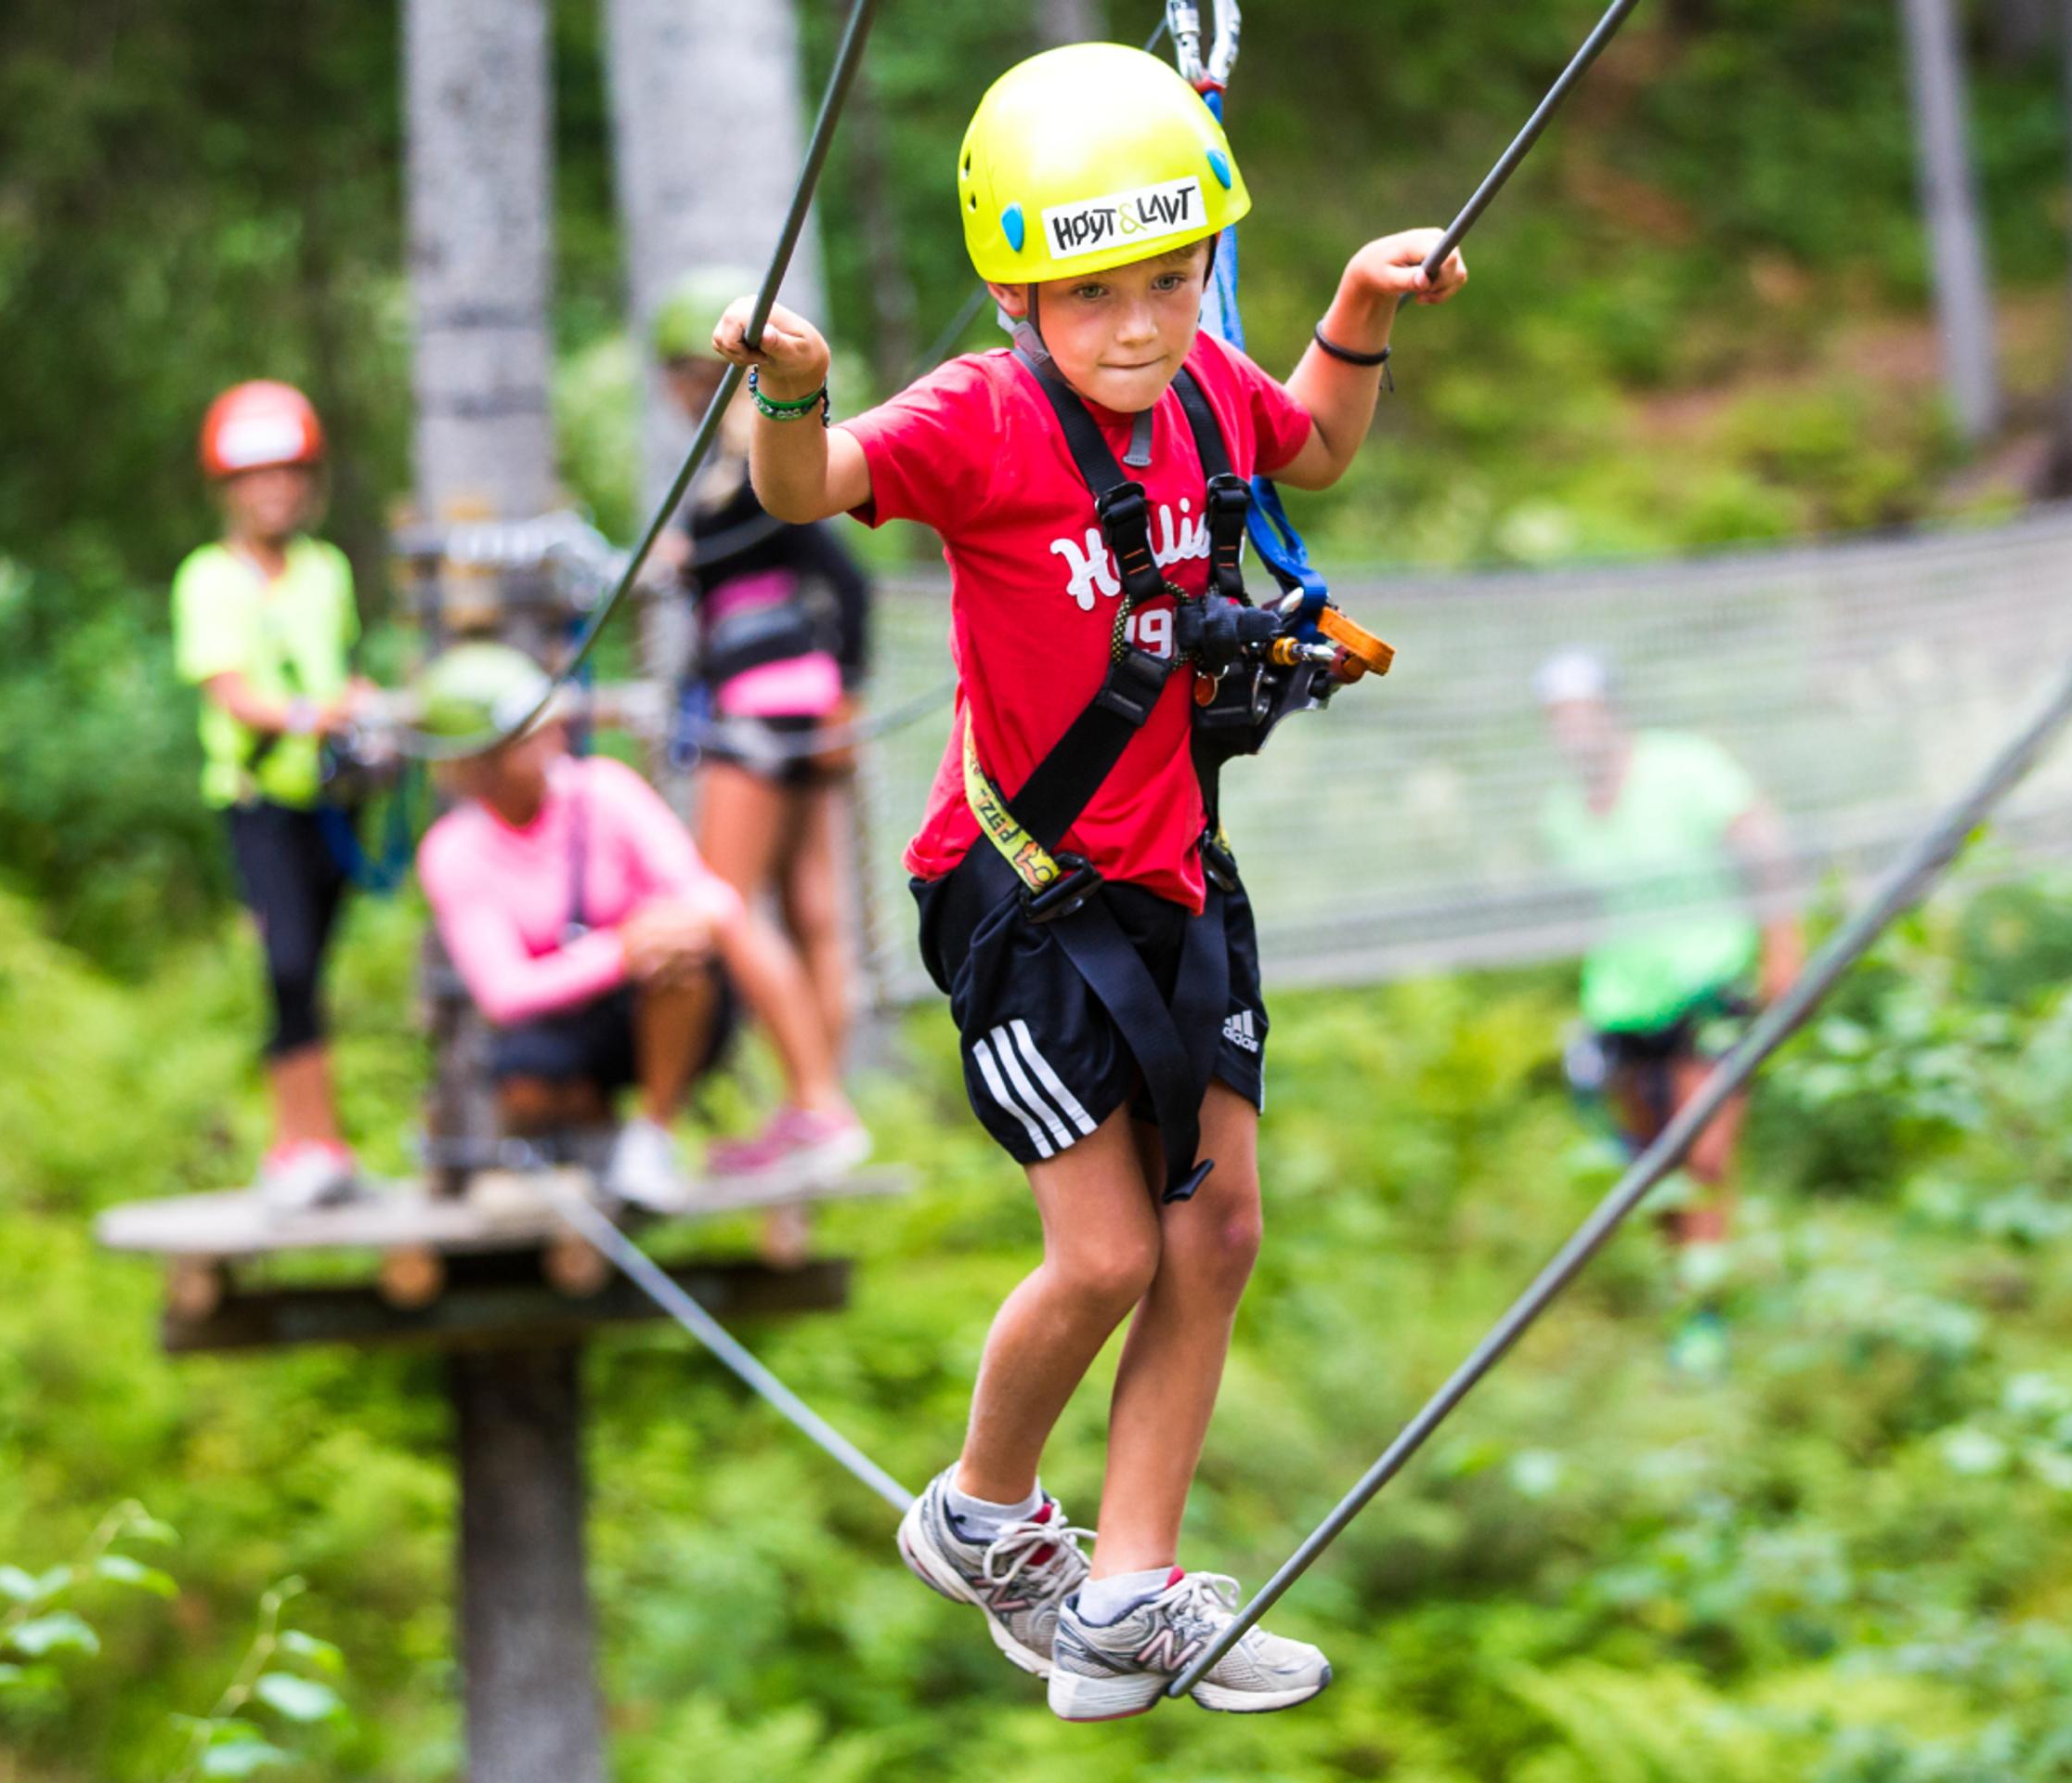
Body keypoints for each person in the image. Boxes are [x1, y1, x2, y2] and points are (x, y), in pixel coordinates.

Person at [719, 43, 1466, 1719]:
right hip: (1022, 894)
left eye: (1176, 281)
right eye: (1096, 294)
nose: (1141, 325)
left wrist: (1356, 302)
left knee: (1220, 1237)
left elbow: (1319, 451)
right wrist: (790, 388)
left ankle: (1131, 1586)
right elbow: (808, 491)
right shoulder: (980, 419)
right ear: (1015, 291)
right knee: (1114, 1253)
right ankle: (981, 1511)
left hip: (1178, 878)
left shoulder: (1205, 392)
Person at [410, 644, 869, 1210]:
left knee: (677, 954)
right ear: (476, 763)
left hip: (653, 1009)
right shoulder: (455, 851)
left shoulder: (604, 790)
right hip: (563, 1030)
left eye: (551, 726)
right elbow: (504, 992)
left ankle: (664, 1133)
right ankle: (593, 1144)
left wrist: (659, 931)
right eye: (527, 738)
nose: (553, 741)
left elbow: (715, 900)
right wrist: (619, 950)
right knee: (528, 1079)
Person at [1533, 647, 1804, 1373]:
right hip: (1623, 1008)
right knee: (1651, 1171)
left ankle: (1706, 1321)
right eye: (1559, 718)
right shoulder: (1563, 812)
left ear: (1611, 711)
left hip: (1708, 986)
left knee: (1703, 1155)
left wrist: (1784, 952)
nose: (1572, 730)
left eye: (1582, 713)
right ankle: (1690, 1299)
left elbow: (1764, 845)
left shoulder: (1686, 768)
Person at [649, 267, 879, 1073]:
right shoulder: (728, 468)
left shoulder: (755, 460)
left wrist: (850, 689)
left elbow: (846, 577)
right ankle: (824, 1105)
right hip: (805, 696)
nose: (680, 396)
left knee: (723, 905)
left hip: (761, 701)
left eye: (686, 380)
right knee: (814, 908)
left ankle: (814, 1098)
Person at [173, 381, 382, 1210]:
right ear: (229, 489)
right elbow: (229, 691)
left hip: (333, 800)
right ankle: (299, 1144)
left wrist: (359, 708)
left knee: (313, 970)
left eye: (288, 474)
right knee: (287, 965)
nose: (275, 491)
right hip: (260, 798)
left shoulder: (326, 570)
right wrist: (310, 714)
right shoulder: (210, 580)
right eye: (257, 477)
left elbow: (342, 668)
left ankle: (316, 1142)